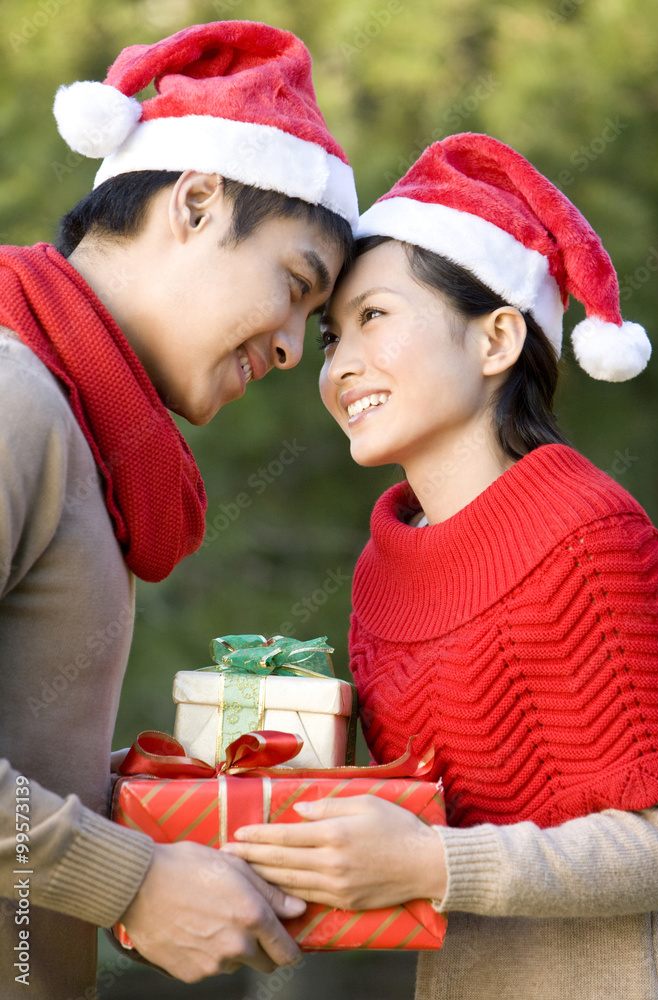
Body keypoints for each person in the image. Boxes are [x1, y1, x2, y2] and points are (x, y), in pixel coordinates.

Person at [223, 133, 658, 1000]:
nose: (341, 363)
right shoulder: (381, 566)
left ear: (497, 338)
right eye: (329, 335)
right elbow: (413, 832)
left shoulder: (588, 536)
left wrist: (429, 860)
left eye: (375, 317)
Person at [0, 19, 357, 999]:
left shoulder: (78, 432)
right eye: (294, 286)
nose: (291, 349)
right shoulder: (13, 396)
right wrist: (136, 882)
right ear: (197, 203)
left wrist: (155, 808)